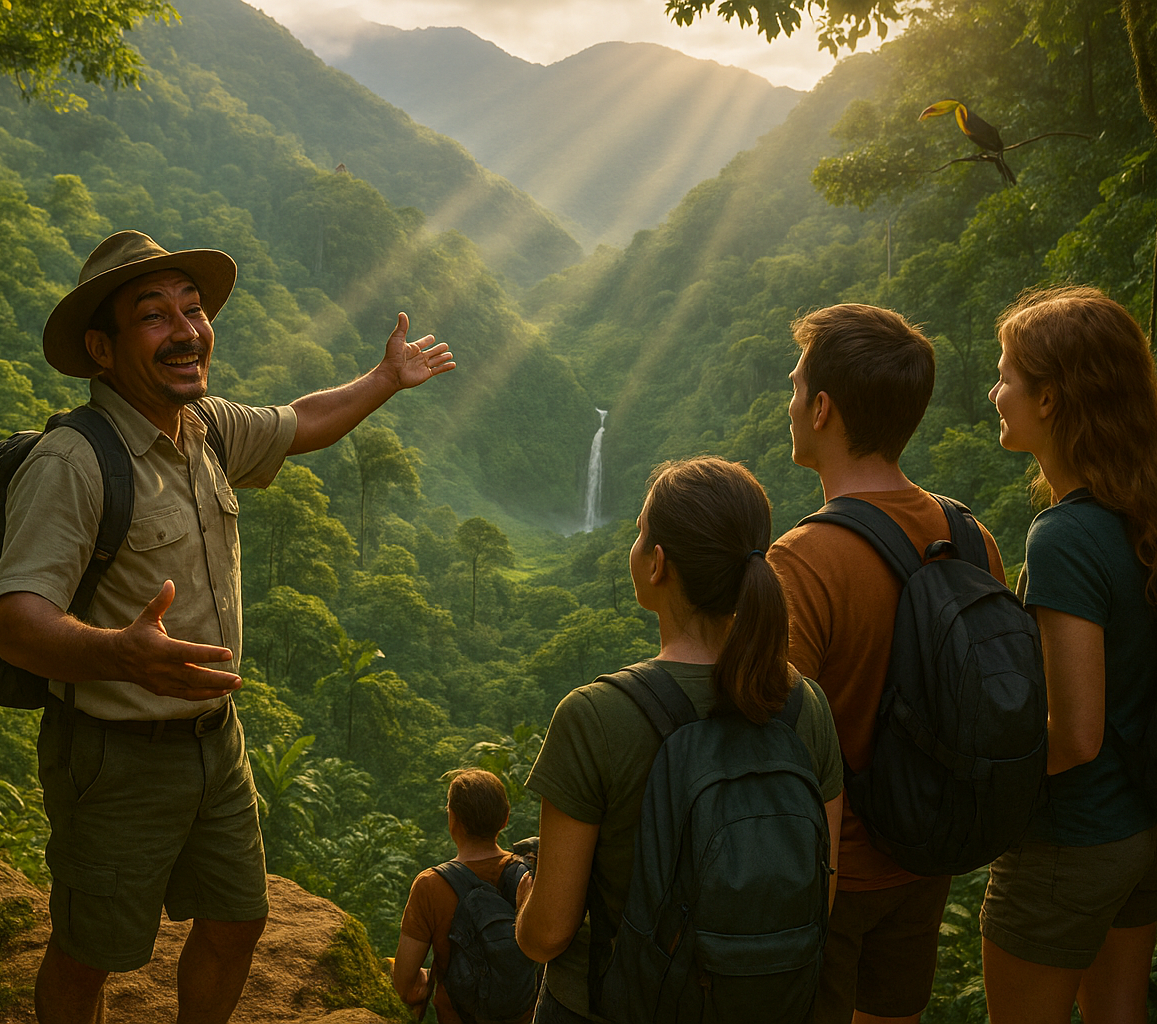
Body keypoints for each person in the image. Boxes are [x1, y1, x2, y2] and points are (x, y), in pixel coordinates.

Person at [0, 229, 454, 1024]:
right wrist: (124, 656)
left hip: (216, 738)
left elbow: (299, 422)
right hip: (114, 755)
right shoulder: (72, 463)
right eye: (155, 315)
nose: (187, 330)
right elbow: (17, 623)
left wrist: (385, 378)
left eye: (193, 309)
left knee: (239, 918)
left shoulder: (202, 427)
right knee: (90, 951)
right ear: (102, 349)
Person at [516, 456, 845, 1023]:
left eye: (640, 533)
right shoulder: (803, 706)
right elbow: (822, 895)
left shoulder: (594, 716)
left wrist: (523, 897)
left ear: (658, 564)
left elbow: (546, 935)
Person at [767, 304, 1006, 1024]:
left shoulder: (801, 562)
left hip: (833, 879)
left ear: (822, 409)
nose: (789, 400)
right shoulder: (970, 536)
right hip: (929, 856)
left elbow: (778, 744)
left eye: (794, 385)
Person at [980, 286, 1157, 1024]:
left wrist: (975, 773)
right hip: (1146, 827)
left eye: (1007, 375)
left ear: (1052, 398)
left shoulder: (1064, 537)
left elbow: (1074, 735)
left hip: (1071, 843)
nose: (995, 392)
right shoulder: (1151, 507)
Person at [393, 769, 535, 1023]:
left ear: (453, 820)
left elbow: (404, 985)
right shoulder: (530, 876)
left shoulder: (430, 886)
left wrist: (426, 978)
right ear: (505, 819)